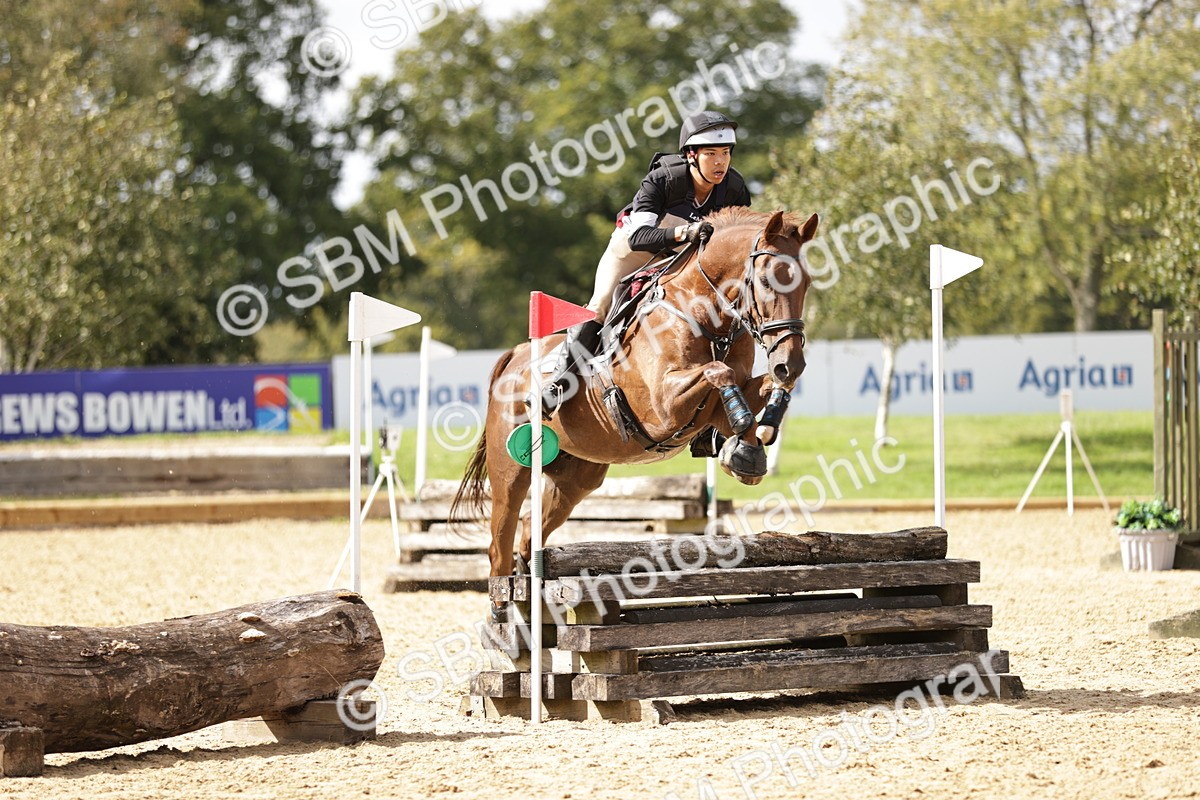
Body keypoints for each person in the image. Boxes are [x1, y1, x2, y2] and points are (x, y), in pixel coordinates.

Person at [539, 110, 753, 417]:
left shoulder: (733, 188)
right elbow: (639, 236)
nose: (720, 162)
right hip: (634, 250)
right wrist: (685, 232)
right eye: (711, 154)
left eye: (725, 153)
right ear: (691, 156)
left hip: (684, 257)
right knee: (600, 304)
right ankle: (560, 383)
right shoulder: (663, 179)